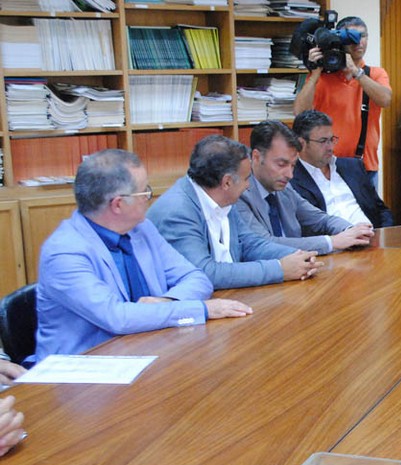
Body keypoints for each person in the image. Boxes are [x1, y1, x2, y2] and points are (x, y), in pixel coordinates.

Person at [35, 149, 252, 359]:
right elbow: (117, 318)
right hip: (84, 369)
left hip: (149, 350)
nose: (150, 197)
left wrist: (167, 301)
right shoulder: (64, 253)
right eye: (144, 192)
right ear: (118, 204)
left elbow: (196, 278)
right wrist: (200, 309)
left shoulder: (142, 229)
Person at [148, 135, 320, 290]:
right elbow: (204, 273)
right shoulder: (177, 211)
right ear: (227, 182)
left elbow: (250, 243)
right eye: (246, 179)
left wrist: (296, 257)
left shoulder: (223, 197)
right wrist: (280, 269)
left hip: (229, 296)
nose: (248, 185)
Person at [235, 120, 374, 253]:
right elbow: (264, 244)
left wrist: (350, 230)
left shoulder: (285, 189)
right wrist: (331, 242)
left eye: (293, 165)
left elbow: (321, 220)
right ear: (256, 157)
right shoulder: (238, 193)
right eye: (281, 164)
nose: (289, 175)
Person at [292, 15, 391, 185]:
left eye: (363, 36)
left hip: (364, 166)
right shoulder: (323, 78)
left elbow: (385, 100)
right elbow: (299, 113)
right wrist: (314, 74)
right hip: (325, 166)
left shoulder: (375, 74)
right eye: (352, 36)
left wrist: (357, 72)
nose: (358, 42)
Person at [290, 110, 393, 228]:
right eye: (323, 141)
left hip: (372, 233)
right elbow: (306, 227)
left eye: (331, 139)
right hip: (336, 237)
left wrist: (383, 233)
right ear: (301, 143)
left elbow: (382, 211)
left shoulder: (353, 167)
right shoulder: (291, 179)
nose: (330, 147)